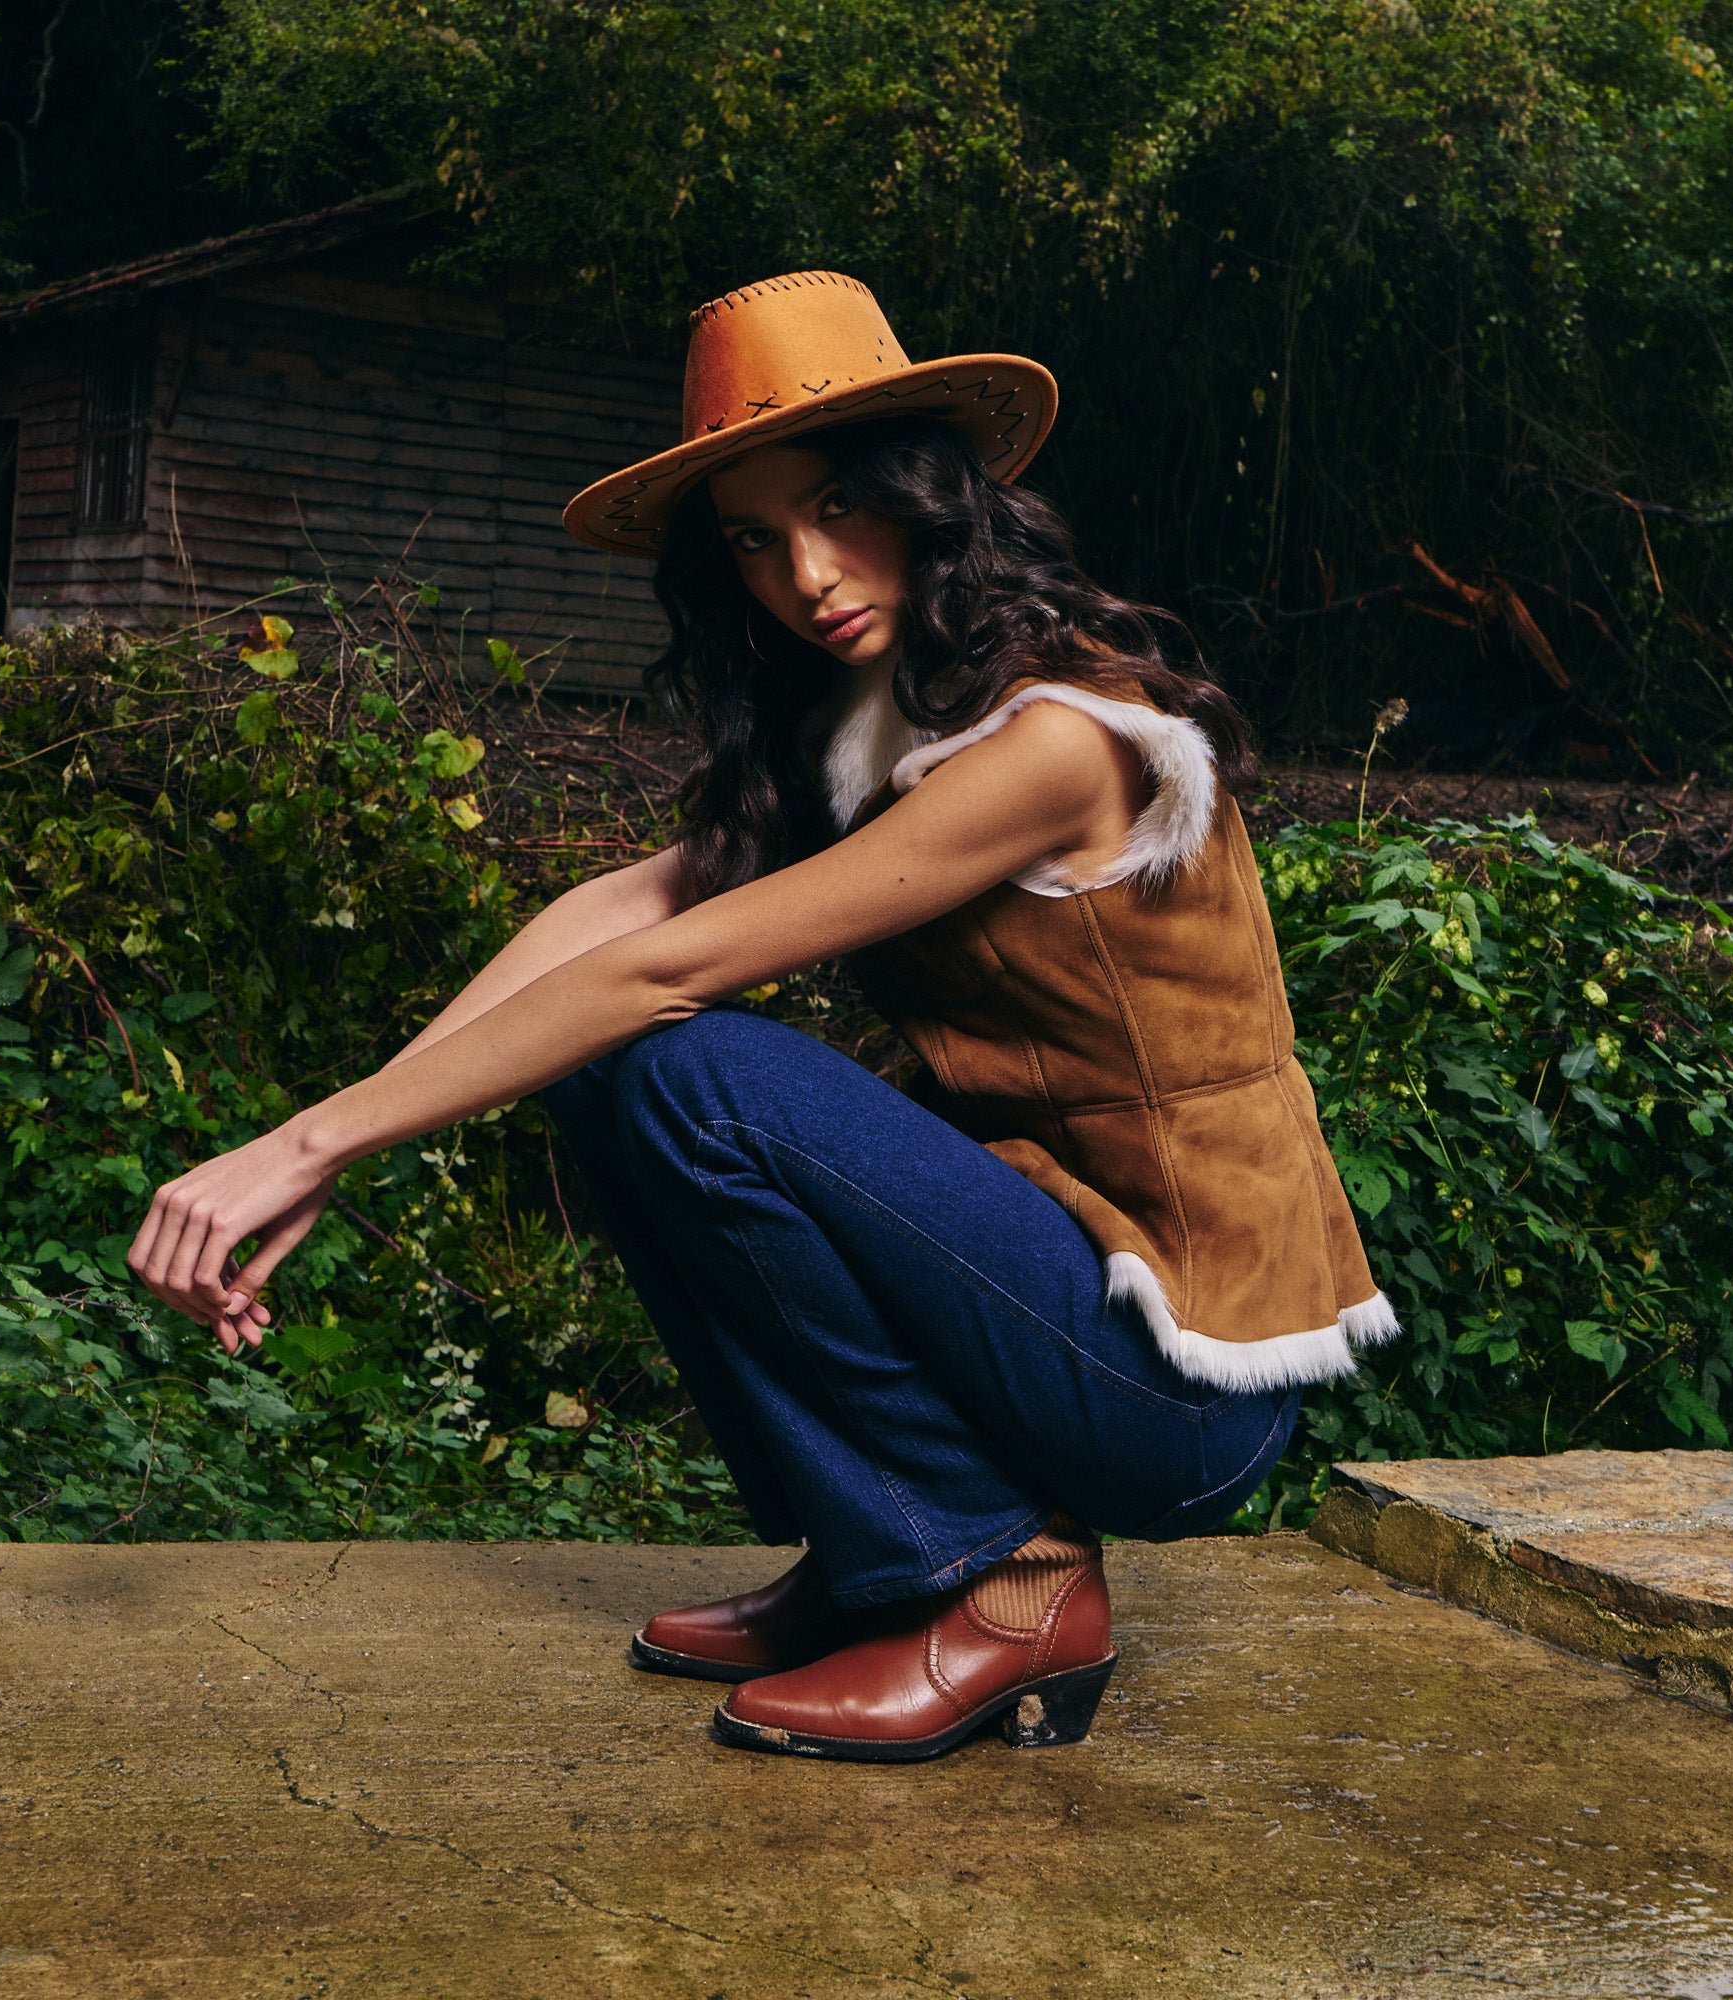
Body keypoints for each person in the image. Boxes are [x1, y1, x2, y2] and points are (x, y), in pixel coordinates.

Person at [128, 269, 1396, 1764]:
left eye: (839, 508)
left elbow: (666, 976)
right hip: (1057, 1288)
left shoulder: (1058, 744)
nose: (805, 573)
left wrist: (303, 1144)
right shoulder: (888, 721)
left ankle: (1007, 1587)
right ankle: (883, 1564)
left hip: (1176, 1375)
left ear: (931, 498)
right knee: (604, 1078)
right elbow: (621, 913)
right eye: (753, 538)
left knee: (698, 1074)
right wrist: (322, 1149)